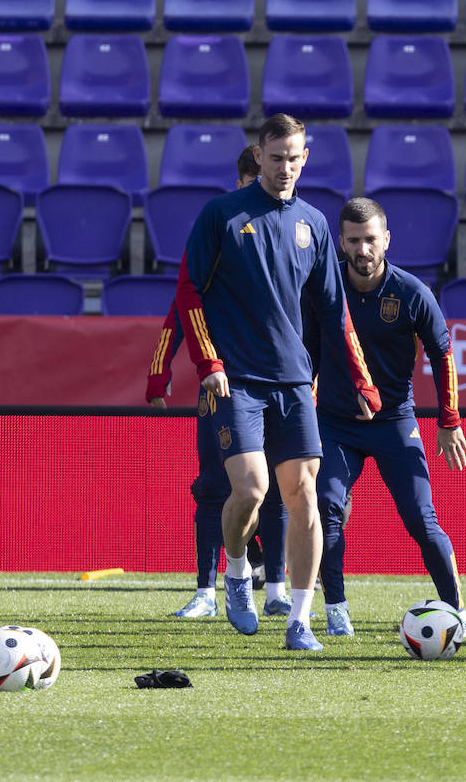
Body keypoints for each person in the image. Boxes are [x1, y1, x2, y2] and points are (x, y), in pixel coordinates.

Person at [174, 113, 381, 651]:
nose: (285, 166)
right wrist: (208, 364)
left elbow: (335, 314)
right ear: (259, 156)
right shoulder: (221, 214)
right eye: (275, 157)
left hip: (293, 383)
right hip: (235, 380)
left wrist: (360, 380)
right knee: (251, 489)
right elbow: (189, 292)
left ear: (304, 158)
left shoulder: (313, 222)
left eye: (294, 157)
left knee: (304, 495)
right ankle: (238, 573)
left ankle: (300, 621)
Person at [312, 197, 466, 639]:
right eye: (353, 241)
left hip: (394, 421)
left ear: (386, 239)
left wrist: (449, 421)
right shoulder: (324, 289)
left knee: (422, 519)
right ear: (341, 243)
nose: (363, 250)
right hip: (335, 423)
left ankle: (457, 612)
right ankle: (336, 610)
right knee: (326, 507)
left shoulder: (411, 292)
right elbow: (305, 351)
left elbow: (444, 356)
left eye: (370, 240)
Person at [148, 147, 290, 619]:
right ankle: (207, 591)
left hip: (277, 382)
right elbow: (180, 305)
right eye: (247, 180)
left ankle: (275, 586)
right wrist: (160, 369)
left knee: (275, 485)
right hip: (223, 385)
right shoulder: (220, 229)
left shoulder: (292, 232)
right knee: (213, 486)